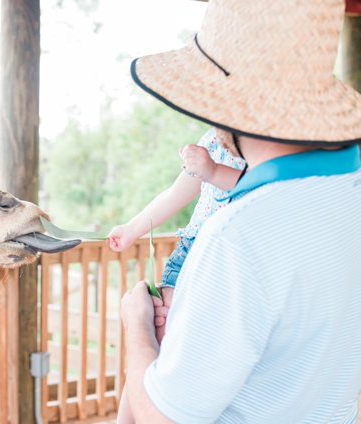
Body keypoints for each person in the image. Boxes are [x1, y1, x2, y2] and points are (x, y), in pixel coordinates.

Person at [117, 0, 361, 422]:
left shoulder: (238, 237)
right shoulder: (346, 191)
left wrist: (135, 326)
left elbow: (162, 417)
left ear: (224, 102)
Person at [105, 127, 244, 338]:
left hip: (233, 254)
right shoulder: (212, 139)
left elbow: (262, 185)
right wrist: (131, 229)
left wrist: (214, 170)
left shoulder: (267, 143)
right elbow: (174, 195)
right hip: (191, 249)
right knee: (165, 328)